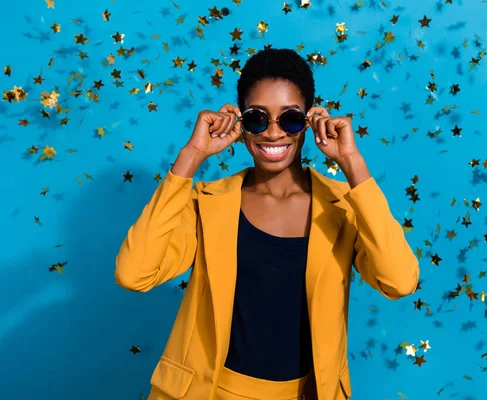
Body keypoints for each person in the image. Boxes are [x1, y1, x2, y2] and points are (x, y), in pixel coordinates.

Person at [115, 48, 420, 400]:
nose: (273, 134)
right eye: (258, 118)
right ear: (240, 123)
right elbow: (134, 273)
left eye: (289, 119)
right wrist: (192, 155)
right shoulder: (206, 203)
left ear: (310, 121)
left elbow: (399, 281)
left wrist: (352, 163)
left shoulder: (345, 207)